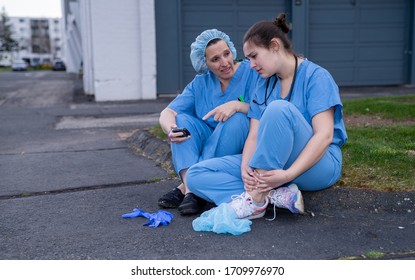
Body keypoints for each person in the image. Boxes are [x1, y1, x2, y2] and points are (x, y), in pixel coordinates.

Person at [186, 13, 348, 220]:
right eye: (247, 59)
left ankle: (255, 198)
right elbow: (254, 134)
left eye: (254, 56)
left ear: (274, 46)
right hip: (273, 165)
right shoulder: (264, 82)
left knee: (278, 109)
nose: (251, 65)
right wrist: (246, 166)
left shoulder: (316, 77)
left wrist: (288, 175)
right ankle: (272, 195)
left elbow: (324, 136)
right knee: (196, 175)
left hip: (317, 165)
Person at [158, 29, 260, 215]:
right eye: (215, 59)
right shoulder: (201, 83)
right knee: (180, 120)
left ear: (232, 50)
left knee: (236, 118)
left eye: (226, 54)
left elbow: (264, 110)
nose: (225, 63)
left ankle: (185, 189)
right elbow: (168, 112)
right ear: (204, 63)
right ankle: (192, 189)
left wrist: (237, 105)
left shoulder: (252, 73)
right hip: (209, 140)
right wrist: (170, 128)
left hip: (238, 142)